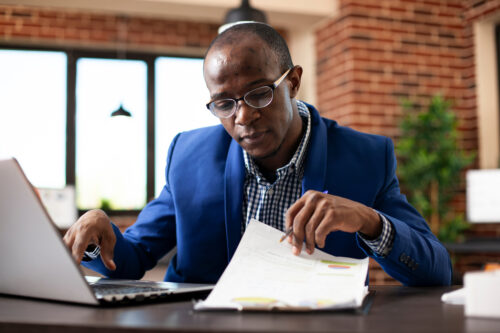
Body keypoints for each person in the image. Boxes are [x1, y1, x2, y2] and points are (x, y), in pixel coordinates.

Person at [64, 22, 452, 286]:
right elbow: (132, 259)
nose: (244, 116)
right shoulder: (189, 156)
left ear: (293, 82)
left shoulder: (365, 157)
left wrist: (370, 221)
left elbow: (436, 271)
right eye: (224, 104)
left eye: (259, 93)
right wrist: (99, 236)